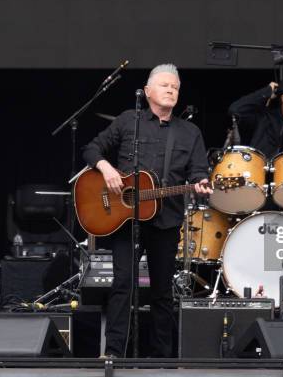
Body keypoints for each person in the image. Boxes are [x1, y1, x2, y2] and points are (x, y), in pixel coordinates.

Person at [82, 64, 212, 358]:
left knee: (162, 291)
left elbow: (199, 172)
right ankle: (113, 352)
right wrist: (106, 169)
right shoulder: (130, 121)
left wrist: (201, 183)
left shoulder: (189, 132)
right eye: (165, 85)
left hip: (166, 220)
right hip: (125, 218)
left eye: (175, 87)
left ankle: (162, 358)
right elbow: (92, 149)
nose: (171, 90)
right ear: (148, 90)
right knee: (122, 284)